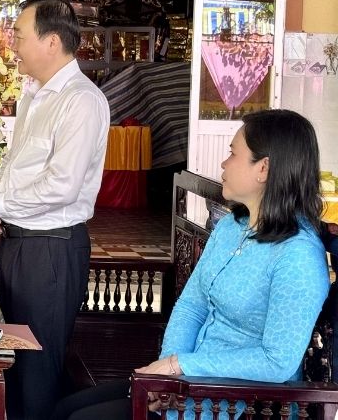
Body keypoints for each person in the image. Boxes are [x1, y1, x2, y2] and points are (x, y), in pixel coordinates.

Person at [51, 109, 330, 420]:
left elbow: (276, 361)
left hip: (240, 401)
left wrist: (180, 368)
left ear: (263, 168)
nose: (224, 164)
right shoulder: (231, 227)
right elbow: (192, 306)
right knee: (66, 408)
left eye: (233, 154)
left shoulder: (298, 257)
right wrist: (166, 376)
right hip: (189, 385)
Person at [0, 0, 111, 420]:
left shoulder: (80, 101)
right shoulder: (35, 96)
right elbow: (18, 165)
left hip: (51, 250)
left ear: (50, 42)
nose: (13, 46)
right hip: (19, 245)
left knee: (38, 372)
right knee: (14, 365)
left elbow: (62, 186)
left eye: (19, 37)